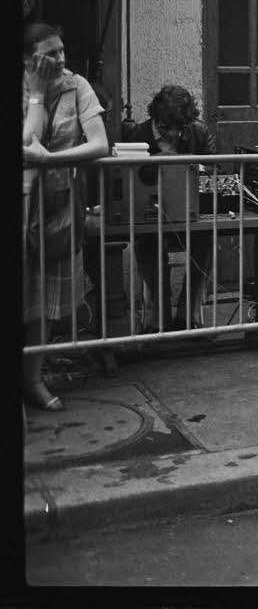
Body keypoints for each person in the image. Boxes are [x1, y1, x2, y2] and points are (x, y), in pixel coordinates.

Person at [22, 21, 110, 411]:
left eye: (62, 51)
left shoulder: (79, 87)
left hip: (56, 204)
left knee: (43, 301)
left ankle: (32, 378)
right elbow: (27, 143)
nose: (60, 59)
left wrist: (53, 159)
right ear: (28, 59)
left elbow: (100, 144)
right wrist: (38, 94)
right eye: (50, 53)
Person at [126, 85, 218, 330]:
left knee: (206, 239)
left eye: (180, 129)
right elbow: (125, 182)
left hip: (190, 216)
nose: (174, 135)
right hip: (151, 217)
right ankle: (159, 315)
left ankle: (189, 316)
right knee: (147, 245)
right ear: (156, 119)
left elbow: (213, 173)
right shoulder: (138, 135)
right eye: (167, 128)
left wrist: (200, 170)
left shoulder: (197, 131)